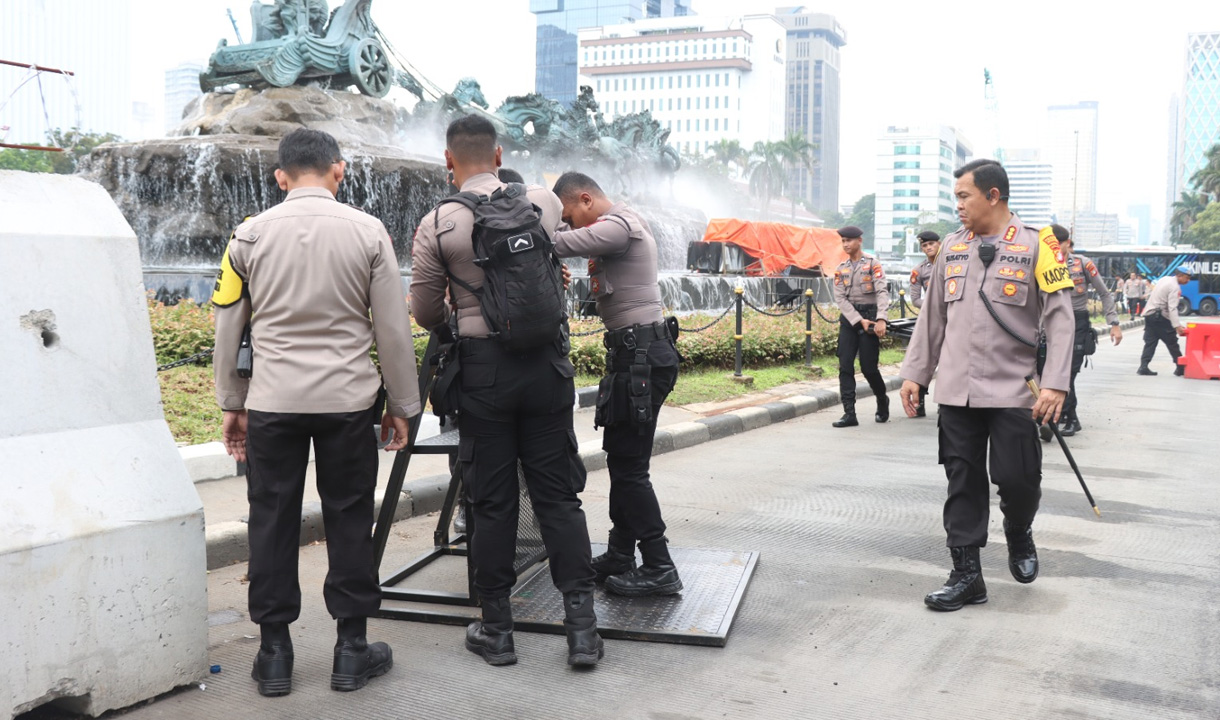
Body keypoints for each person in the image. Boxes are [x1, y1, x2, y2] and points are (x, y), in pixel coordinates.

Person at [212, 128, 418, 696]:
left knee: (271, 517)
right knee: (350, 516)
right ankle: (351, 649)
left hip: (273, 403)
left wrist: (232, 401)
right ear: (339, 171)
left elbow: (228, 323)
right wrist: (403, 404)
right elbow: (392, 330)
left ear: (281, 177)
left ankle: (274, 653)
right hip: (348, 402)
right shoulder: (369, 232)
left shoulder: (248, 236)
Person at [409, 115, 602, 668]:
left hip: (484, 373)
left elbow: (424, 310)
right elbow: (556, 259)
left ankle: (498, 630)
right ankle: (582, 630)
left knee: (491, 502)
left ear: (449, 162)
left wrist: (459, 313)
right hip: (546, 367)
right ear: (499, 155)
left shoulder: (439, 222)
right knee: (558, 497)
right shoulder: (540, 200)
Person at [898, 159, 1074, 612]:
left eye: (963, 196)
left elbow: (1060, 320)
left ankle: (1018, 529)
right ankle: (967, 576)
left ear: (993, 196)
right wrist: (916, 374)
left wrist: (1055, 383)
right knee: (962, 479)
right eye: (956, 197)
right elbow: (933, 316)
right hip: (957, 388)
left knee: (1018, 479)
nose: (957, 206)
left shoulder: (1041, 246)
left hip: (1017, 388)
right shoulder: (952, 248)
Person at [549, 171, 683, 598]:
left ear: (586, 199)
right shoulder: (615, 228)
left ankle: (660, 566)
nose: (569, 225)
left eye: (569, 215)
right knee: (625, 462)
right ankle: (622, 554)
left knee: (629, 470)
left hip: (641, 358)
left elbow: (560, 244)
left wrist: (524, 228)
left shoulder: (619, 225)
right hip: (635, 357)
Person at [1055, 227, 1122, 436]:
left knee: (1068, 373)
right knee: (1052, 372)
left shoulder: (1083, 264)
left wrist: (1114, 323)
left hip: (1077, 322)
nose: (1055, 248)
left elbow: (1104, 293)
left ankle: (1071, 418)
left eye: (1059, 243)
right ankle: (1061, 413)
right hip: (1052, 324)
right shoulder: (1043, 263)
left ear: (1068, 243)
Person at [830, 225, 890, 427]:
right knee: (845, 365)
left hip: (871, 316)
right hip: (850, 320)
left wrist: (881, 318)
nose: (846, 244)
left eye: (849, 240)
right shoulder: (841, 269)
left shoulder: (873, 265)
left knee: (868, 367)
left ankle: (882, 399)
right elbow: (839, 297)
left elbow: (882, 291)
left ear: (859, 241)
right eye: (843, 241)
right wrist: (857, 320)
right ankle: (849, 413)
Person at [907, 230, 941, 417]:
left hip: (953, 320)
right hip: (931, 319)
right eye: (925, 246)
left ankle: (946, 404)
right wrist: (932, 307)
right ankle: (919, 402)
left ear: (939, 244)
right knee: (923, 358)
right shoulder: (919, 270)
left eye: (931, 244)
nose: (928, 248)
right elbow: (914, 299)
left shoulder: (952, 263)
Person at [1137, 265, 1193, 376]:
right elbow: (1172, 308)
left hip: (1149, 315)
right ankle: (1180, 367)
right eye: (1187, 277)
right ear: (1179, 275)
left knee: (1150, 342)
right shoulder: (1175, 287)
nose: (1188, 280)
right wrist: (1177, 326)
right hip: (1160, 317)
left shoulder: (1164, 279)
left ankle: (1143, 366)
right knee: (1172, 342)